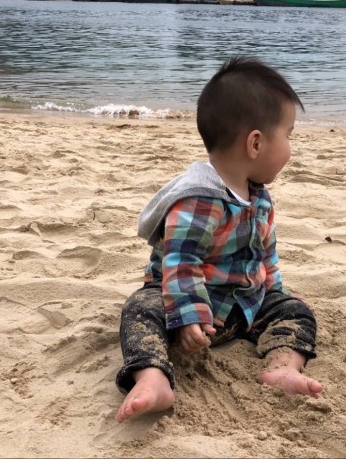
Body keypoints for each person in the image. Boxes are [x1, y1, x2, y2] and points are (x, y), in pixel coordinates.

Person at [115, 56, 323, 423]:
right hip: (185, 304)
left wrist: (275, 293)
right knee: (139, 311)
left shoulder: (258, 197)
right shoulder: (200, 199)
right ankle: (152, 378)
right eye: (288, 136)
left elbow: (266, 255)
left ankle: (282, 366)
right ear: (255, 144)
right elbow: (181, 261)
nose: (291, 147)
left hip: (242, 304)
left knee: (297, 312)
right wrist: (188, 315)